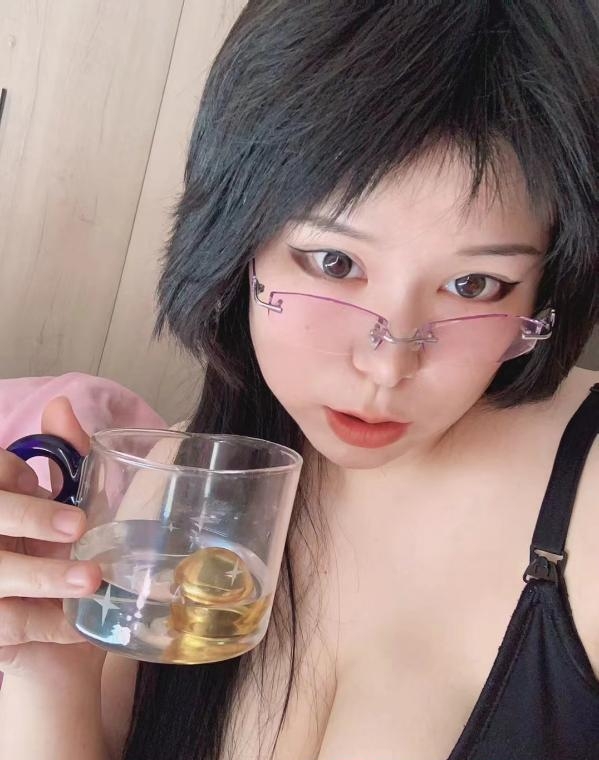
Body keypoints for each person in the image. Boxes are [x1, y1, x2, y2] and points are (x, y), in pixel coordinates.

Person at [0, 1, 598, 758]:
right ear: (237, 242)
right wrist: (47, 663)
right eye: (335, 262)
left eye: (474, 285)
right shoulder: (180, 481)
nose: (387, 365)